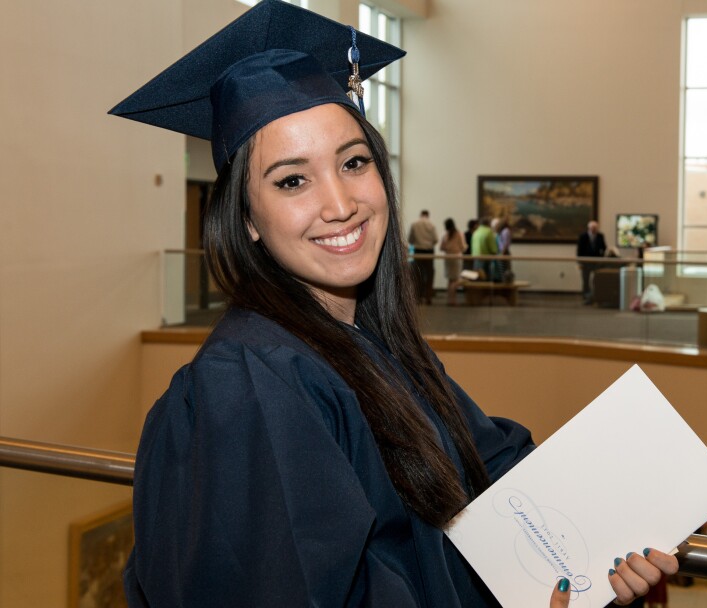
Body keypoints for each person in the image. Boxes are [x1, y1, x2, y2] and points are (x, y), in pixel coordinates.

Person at [109, 2, 675, 606]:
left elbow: (492, 471)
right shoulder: (249, 385)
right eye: (292, 180)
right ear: (246, 218)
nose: (340, 203)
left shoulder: (375, 347)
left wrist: (605, 548)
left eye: (353, 162)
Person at [409, 209, 439, 304]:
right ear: (428, 215)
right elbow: (435, 239)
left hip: (418, 251)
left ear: (421, 215)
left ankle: (418, 298)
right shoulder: (432, 225)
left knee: (418, 275)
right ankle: (428, 297)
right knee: (429, 275)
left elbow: (410, 239)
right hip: (429, 251)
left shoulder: (414, 224)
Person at [577, 220, 607, 304]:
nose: (594, 229)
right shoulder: (583, 236)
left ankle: (595, 295)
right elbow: (579, 250)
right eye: (592, 228)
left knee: (596, 279)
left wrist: (602, 258)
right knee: (585, 280)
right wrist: (580, 262)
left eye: (595, 228)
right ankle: (586, 296)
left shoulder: (600, 236)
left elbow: (604, 248)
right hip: (585, 261)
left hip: (597, 261)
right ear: (589, 228)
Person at [439, 217, 467, 306]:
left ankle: (449, 300)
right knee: (455, 280)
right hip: (456, 257)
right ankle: (453, 301)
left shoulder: (444, 234)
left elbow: (441, 247)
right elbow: (463, 247)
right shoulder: (459, 233)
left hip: (448, 257)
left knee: (450, 280)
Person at [470, 216, 499, 281]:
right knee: (486, 279)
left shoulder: (476, 232)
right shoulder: (489, 231)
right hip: (486, 259)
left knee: (477, 278)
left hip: (475, 258)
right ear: (488, 224)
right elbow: (493, 248)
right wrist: (495, 252)